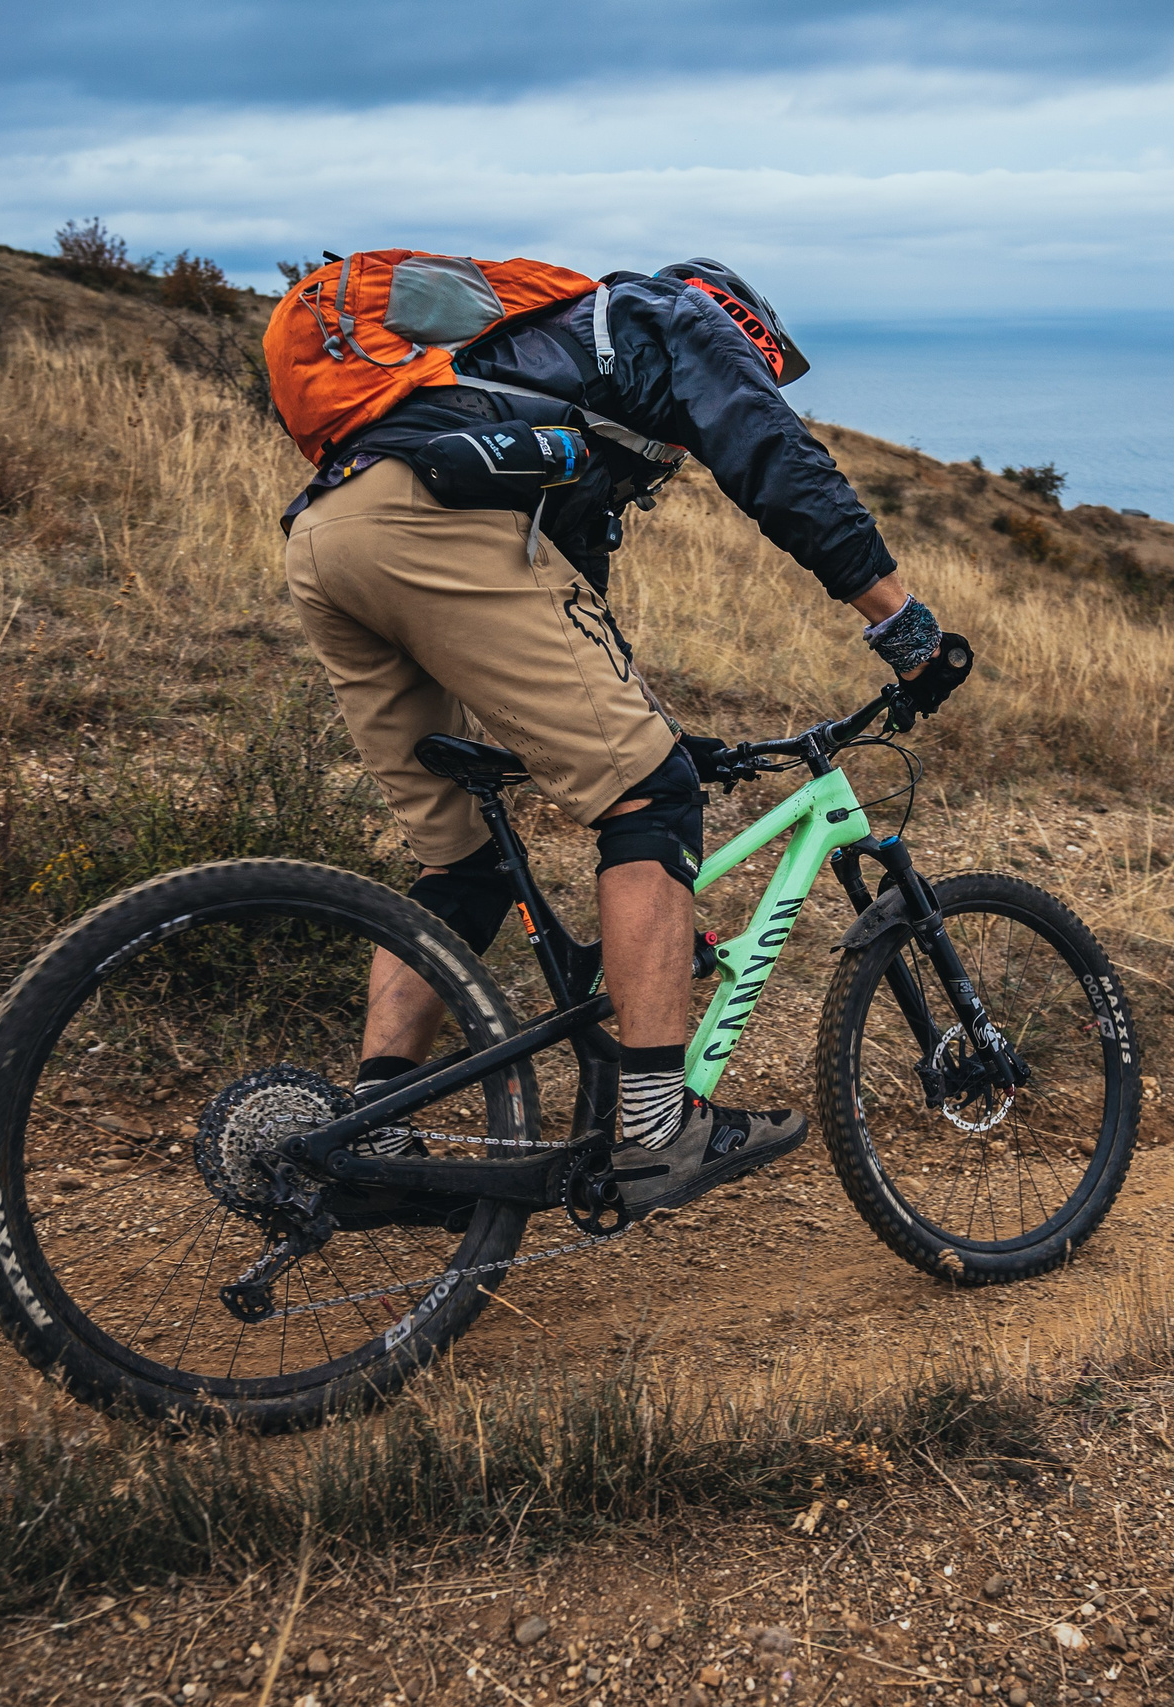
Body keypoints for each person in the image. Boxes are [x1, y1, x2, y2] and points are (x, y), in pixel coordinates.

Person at [278, 258, 966, 1212]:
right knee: (651, 802)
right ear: (743, 324)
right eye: (759, 357)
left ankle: (374, 1127)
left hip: (328, 536)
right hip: (424, 522)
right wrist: (906, 627)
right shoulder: (675, 315)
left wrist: (656, 734)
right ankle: (655, 1127)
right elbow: (776, 461)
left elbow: (575, 623)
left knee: (460, 864)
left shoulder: (537, 382)